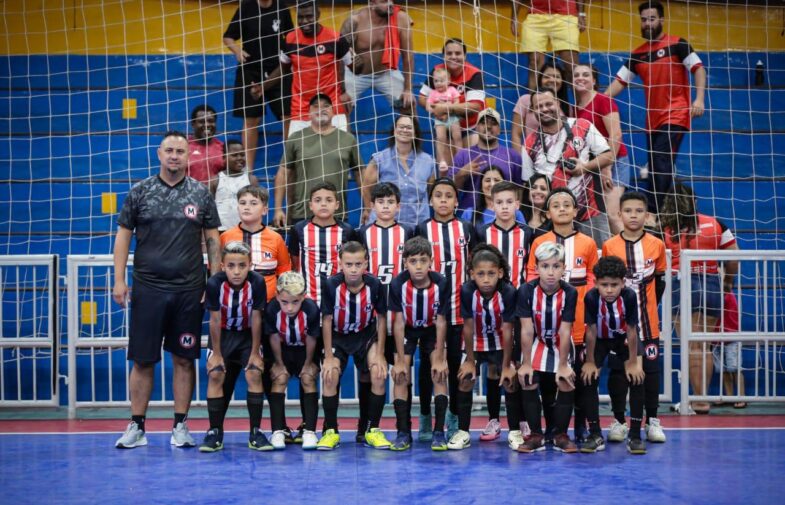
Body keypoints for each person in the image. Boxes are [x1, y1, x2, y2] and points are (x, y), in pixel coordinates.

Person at [113, 131, 221, 449]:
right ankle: (137, 426)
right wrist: (119, 280)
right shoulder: (140, 192)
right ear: (159, 154)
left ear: (189, 156)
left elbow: (213, 239)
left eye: (180, 151)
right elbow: (123, 236)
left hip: (189, 291)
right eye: (169, 151)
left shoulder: (200, 194)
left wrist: (213, 281)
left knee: (185, 360)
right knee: (143, 361)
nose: (174, 156)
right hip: (148, 290)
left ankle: (180, 426)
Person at [606, 0, 706, 214]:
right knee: (657, 167)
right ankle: (671, 212)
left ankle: (654, 213)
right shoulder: (637, 54)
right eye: (643, 20)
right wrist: (599, 100)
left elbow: (698, 68)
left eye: (651, 19)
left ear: (661, 20)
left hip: (676, 115)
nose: (647, 24)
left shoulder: (678, 44)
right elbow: (619, 82)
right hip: (652, 122)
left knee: (660, 163)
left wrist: (699, 99)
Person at [526, 188, 597, 444]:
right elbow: (531, 275)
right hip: (546, 326)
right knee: (547, 381)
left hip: (577, 324)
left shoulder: (588, 243)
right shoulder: (539, 241)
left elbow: (592, 279)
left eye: (568, 204)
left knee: (575, 378)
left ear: (576, 211)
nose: (563, 209)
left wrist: (580, 303)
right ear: (548, 212)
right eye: (557, 205)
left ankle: (579, 427)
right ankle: (551, 428)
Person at [661, 183, 738, 415]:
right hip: (711, 282)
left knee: (690, 346)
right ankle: (701, 399)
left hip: (679, 283)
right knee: (703, 345)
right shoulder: (715, 223)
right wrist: (727, 283)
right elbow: (734, 256)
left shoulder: (664, 227)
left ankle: (696, 401)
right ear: (694, 201)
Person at [602, 191, 667, 443]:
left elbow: (659, 282)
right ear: (620, 214)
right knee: (619, 373)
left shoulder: (657, 245)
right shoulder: (610, 246)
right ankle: (619, 420)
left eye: (639, 211)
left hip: (648, 324)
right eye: (628, 211)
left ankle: (652, 421)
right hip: (618, 326)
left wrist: (648, 306)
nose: (633, 215)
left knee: (649, 373)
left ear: (647, 215)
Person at [416, 178, 476, 439]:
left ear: (455, 200)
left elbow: (475, 264)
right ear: (431, 200)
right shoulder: (421, 229)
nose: (443, 200)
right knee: (428, 366)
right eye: (438, 195)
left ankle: (452, 416)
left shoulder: (467, 228)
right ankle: (425, 417)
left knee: (453, 365)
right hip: (428, 313)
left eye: (448, 196)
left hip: (459, 310)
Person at [317, 241, 391, 450]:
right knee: (330, 373)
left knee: (377, 372)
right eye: (348, 264)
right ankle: (330, 431)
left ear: (366, 263)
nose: (353, 269)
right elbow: (327, 319)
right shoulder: (331, 284)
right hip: (338, 336)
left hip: (365, 335)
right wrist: (329, 357)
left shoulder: (375, 284)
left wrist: (381, 353)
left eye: (358, 264)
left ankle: (371, 429)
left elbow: (382, 319)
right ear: (340, 263)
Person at [475, 181, 533, 442]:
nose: (505, 207)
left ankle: (520, 422)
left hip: (519, 308)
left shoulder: (528, 233)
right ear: (492, 204)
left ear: (518, 205)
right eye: (500, 202)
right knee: (493, 367)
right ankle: (493, 420)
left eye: (510, 202)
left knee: (517, 364)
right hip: (490, 308)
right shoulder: (482, 233)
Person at [199, 241, 269, 452]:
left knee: (255, 373)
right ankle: (215, 432)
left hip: (248, 336)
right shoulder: (214, 284)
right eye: (231, 266)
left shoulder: (257, 282)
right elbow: (213, 320)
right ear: (222, 266)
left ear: (250, 265)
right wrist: (217, 354)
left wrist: (256, 352)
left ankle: (255, 432)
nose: (237, 271)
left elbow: (257, 318)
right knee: (216, 374)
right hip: (223, 335)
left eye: (242, 265)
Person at [358, 182, 415, 443]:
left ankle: (404, 429)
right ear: (372, 205)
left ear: (398, 206)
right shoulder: (362, 234)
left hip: (402, 315)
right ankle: (367, 426)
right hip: (371, 317)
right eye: (380, 202)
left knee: (402, 372)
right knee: (372, 371)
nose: (385, 206)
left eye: (390, 202)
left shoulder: (409, 232)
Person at [522, 88, 614, 247]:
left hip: (589, 211)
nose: (544, 109)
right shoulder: (529, 143)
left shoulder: (582, 125)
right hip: (554, 219)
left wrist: (584, 168)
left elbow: (608, 156)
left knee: (599, 261)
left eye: (548, 103)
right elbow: (528, 184)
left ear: (557, 103)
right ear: (533, 110)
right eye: (539, 106)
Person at [451, 244, 521, 451]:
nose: (486, 279)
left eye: (491, 273)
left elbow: (509, 330)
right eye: (480, 274)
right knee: (464, 379)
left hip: (501, 341)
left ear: (500, 272)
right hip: (476, 342)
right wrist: (471, 361)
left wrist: (507, 364)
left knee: (509, 380)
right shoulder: (466, 290)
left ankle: (515, 431)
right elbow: (468, 326)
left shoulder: (508, 291)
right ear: (472, 274)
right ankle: (463, 432)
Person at [516, 242, 579, 453]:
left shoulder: (570, 292)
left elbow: (565, 330)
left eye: (556, 266)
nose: (550, 272)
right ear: (536, 268)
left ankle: (560, 434)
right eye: (545, 266)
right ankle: (536, 435)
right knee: (527, 378)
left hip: (560, 342)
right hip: (537, 340)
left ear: (564, 268)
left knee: (566, 380)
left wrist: (563, 365)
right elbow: (526, 329)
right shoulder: (526, 290)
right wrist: (525, 364)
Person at [388, 236, 450, 450]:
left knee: (440, 372)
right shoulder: (397, 283)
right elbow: (397, 323)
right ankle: (403, 432)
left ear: (431, 261)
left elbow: (442, 321)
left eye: (423, 260)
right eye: (413, 261)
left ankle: (439, 432)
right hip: (408, 330)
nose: (419, 266)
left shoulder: (441, 282)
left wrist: (440, 358)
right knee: (400, 375)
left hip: (432, 330)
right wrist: (398, 360)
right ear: (405, 262)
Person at [581, 256, 647, 454]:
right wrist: (591, 361)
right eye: (604, 285)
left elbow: (632, 329)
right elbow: (591, 331)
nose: (609, 290)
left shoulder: (629, 296)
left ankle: (635, 435)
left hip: (624, 339)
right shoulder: (591, 297)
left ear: (623, 283)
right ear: (595, 283)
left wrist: (634, 362)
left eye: (614, 285)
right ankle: (595, 433)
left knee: (637, 378)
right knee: (588, 377)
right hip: (600, 340)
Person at [261, 1, 352, 137]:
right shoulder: (290, 40)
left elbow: (354, 67)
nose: (304, 21)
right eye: (300, 17)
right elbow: (283, 69)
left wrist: (361, 62)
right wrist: (262, 87)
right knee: (296, 154)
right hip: (301, 109)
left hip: (332, 107)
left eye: (309, 16)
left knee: (341, 152)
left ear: (318, 15)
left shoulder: (336, 39)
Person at [273, 94, 362, 227]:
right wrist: (278, 209)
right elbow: (283, 174)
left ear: (333, 111)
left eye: (326, 106)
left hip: (338, 214)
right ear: (309, 113)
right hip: (302, 214)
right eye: (316, 106)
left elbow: (360, 173)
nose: (321, 109)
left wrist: (367, 207)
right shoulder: (296, 138)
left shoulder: (348, 139)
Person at [264, 271, 321, 450]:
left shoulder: (311, 309)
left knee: (308, 378)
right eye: (285, 302)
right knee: (279, 379)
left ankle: (310, 432)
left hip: (305, 350)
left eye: (295, 302)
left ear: (303, 297)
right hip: (282, 350)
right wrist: (279, 364)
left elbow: (312, 338)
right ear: (277, 296)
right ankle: (278, 431)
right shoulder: (271, 309)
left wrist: (308, 364)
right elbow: (272, 337)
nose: (290, 308)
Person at [573, 64, 631, 234]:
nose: (580, 78)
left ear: (594, 80)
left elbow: (616, 134)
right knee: (601, 217)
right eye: (576, 75)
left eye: (585, 74)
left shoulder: (603, 100)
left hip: (615, 162)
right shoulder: (575, 108)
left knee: (613, 214)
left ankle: (631, 256)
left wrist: (608, 165)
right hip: (593, 167)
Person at [288, 182, 358, 307]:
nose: (323, 204)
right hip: (307, 297)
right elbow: (295, 261)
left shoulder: (347, 231)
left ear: (337, 205)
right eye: (318, 200)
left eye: (329, 200)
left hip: (339, 297)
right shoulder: (298, 229)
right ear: (310, 205)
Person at [340, 0, 415, 111]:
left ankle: (407, 128)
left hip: (386, 72)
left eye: (391, 0)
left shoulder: (401, 19)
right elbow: (340, 55)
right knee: (341, 105)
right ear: (372, 4)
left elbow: (407, 56)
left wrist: (408, 89)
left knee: (409, 104)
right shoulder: (355, 20)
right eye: (384, 1)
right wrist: (343, 91)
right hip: (355, 74)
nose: (390, 4)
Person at [361, 115, 435, 227]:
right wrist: (369, 210)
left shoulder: (428, 161)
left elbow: (431, 191)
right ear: (394, 131)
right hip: (384, 226)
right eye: (401, 127)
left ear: (415, 133)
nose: (404, 130)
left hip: (417, 226)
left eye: (409, 127)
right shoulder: (379, 159)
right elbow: (366, 188)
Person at [220, 185, 290, 300]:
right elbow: (218, 270)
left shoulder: (276, 238)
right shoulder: (225, 237)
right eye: (242, 203)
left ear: (265, 210)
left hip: (268, 302)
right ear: (237, 207)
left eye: (253, 203)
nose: (247, 207)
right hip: (233, 302)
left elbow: (284, 270)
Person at [450, 108, 523, 213]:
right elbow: (450, 190)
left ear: (499, 130)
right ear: (477, 127)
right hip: (470, 217)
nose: (488, 126)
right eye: (483, 123)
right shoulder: (463, 155)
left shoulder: (513, 156)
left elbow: (519, 190)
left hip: (504, 216)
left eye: (493, 123)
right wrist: (462, 173)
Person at [418, 38, 486, 147]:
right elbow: (422, 98)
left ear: (465, 56)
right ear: (443, 56)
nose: (453, 57)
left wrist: (444, 108)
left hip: (471, 126)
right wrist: (434, 109)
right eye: (449, 53)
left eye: (458, 53)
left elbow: (475, 107)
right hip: (445, 124)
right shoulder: (437, 71)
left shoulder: (474, 74)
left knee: (471, 159)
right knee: (446, 162)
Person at [510, 0, 587, 89]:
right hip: (535, 16)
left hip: (567, 16)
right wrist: (514, 18)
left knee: (571, 65)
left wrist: (581, 14)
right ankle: (535, 101)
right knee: (534, 63)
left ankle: (580, 102)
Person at [511, 61, 572, 153]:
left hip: (560, 159)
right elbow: (516, 134)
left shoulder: (567, 106)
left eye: (557, 77)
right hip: (533, 157)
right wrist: (521, 159)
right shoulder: (525, 100)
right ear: (540, 80)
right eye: (547, 77)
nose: (552, 80)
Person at [211, 140, 260, 231]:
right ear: (224, 158)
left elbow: (257, 206)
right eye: (234, 155)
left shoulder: (251, 180)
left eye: (242, 155)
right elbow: (209, 208)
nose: (239, 158)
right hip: (222, 230)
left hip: (245, 229)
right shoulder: (215, 180)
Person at [459, 167, 526, 228]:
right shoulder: (469, 213)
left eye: (496, 180)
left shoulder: (516, 213)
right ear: (481, 186)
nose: (492, 184)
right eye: (488, 180)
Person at [713, 290, 746, 409]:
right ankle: (729, 397)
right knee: (723, 370)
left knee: (735, 368)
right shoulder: (714, 292)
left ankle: (741, 397)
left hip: (730, 336)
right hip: (716, 337)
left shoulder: (726, 293)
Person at [427, 67, 463, 169]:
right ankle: (442, 160)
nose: (438, 83)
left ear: (449, 81)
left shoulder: (452, 90)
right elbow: (428, 106)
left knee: (457, 136)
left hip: (452, 117)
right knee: (440, 138)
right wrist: (436, 111)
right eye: (436, 81)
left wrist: (449, 108)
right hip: (439, 119)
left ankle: (459, 157)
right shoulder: (433, 93)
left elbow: (457, 102)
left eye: (441, 81)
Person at [187, 104, 225, 185]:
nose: (207, 125)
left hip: (216, 196)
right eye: (201, 121)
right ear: (193, 124)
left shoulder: (223, 148)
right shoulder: (183, 147)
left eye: (211, 121)